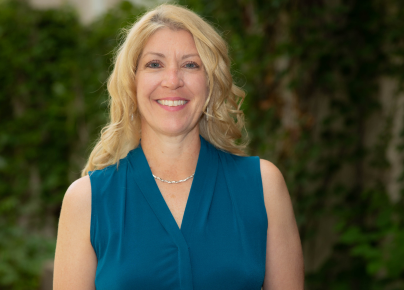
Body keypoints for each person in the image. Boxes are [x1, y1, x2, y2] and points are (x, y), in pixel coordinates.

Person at [53, 4, 303, 290]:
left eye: (190, 64)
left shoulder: (263, 186)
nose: (172, 81)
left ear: (210, 83)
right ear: (132, 82)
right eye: (155, 64)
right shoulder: (86, 201)